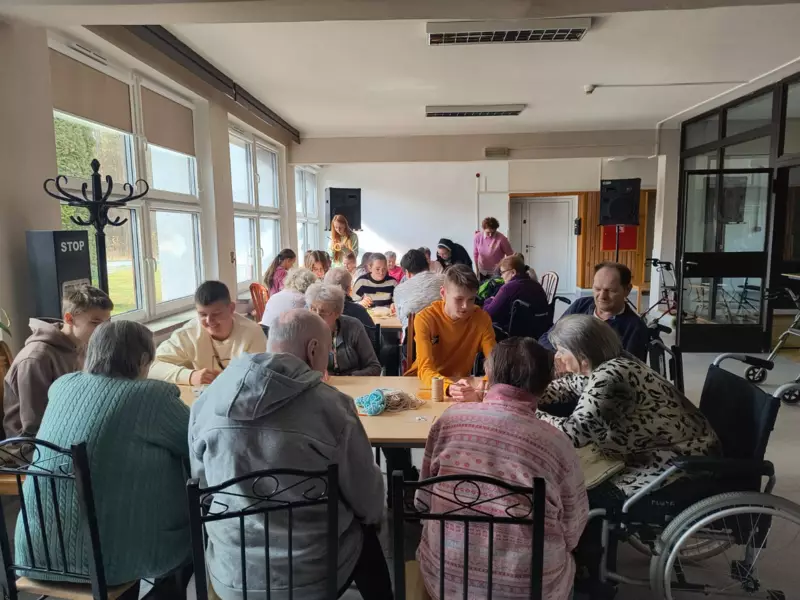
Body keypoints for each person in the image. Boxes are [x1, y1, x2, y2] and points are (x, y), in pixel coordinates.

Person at [189, 309, 392, 600]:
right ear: (313, 349)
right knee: (366, 525)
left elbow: (204, 488)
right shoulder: (332, 406)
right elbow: (366, 498)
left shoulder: (207, 400)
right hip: (312, 574)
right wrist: (374, 515)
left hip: (233, 571)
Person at [16, 320, 191, 591]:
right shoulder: (152, 396)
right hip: (108, 563)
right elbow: (195, 443)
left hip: (36, 555)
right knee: (201, 530)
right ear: (143, 360)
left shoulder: (63, 386)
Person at [417, 338, 588, 600]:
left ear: (488, 373)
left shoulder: (449, 420)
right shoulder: (556, 442)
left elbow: (423, 500)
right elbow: (572, 530)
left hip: (445, 580)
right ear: (546, 384)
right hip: (530, 589)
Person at [540, 315, 719, 496]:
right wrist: (530, 394)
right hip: (648, 449)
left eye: (561, 350)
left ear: (582, 353)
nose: (557, 356)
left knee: (580, 491)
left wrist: (533, 414)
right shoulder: (604, 362)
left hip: (674, 460)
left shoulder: (610, 376)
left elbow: (575, 434)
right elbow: (564, 387)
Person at [3, 285, 112, 439]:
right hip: (34, 444)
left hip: (72, 429)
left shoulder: (85, 344)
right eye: (95, 323)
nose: (103, 330)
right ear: (69, 318)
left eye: (106, 323)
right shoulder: (36, 358)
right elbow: (34, 424)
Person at [149, 281, 265, 385]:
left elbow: (262, 376)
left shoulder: (252, 332)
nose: (209, 321)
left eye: (216, 314)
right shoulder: (189, 333)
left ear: (231, 309)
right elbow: (150, 366)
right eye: (203, 315)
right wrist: (190, 376)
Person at [406, 265, 496, 401]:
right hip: (423, 385)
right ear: (443, 294)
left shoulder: (482, 318)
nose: (465, 306)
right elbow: (425, 368)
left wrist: (488, 380)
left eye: (471, 299)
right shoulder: (425, 318)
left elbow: (494, 361)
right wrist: (448, 386)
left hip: (461, 386)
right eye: (459, 299)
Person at [539, 262, 650, 361]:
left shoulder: (636, 328)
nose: (602, 296)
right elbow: (547, 339)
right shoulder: (581, 305)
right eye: (597, 289)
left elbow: (629, 370)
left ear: (627, 290)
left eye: (610, 290)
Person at [306, 283, 381, 376]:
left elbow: (374, 367)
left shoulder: (353, 326)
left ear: (337, 313)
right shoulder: (304, 330)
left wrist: (350, 377)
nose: (317, 315)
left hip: (353, 382)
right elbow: (297, 370)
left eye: (323, 311)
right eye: (313, 309)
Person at [484, 254, 549, 332]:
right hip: (540, 331)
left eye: (503, 272)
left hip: (516, 333)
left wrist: (489, 300)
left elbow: (489, 314)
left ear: (513, 272)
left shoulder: (508, 288)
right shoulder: (537, 285)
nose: (501, 276)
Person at [392, 249, 444, 330]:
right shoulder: (445, 280)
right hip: (444, 333)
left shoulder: (399, 290)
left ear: (407, 273)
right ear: (428, 265)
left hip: (413, 335)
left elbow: (401, 319)